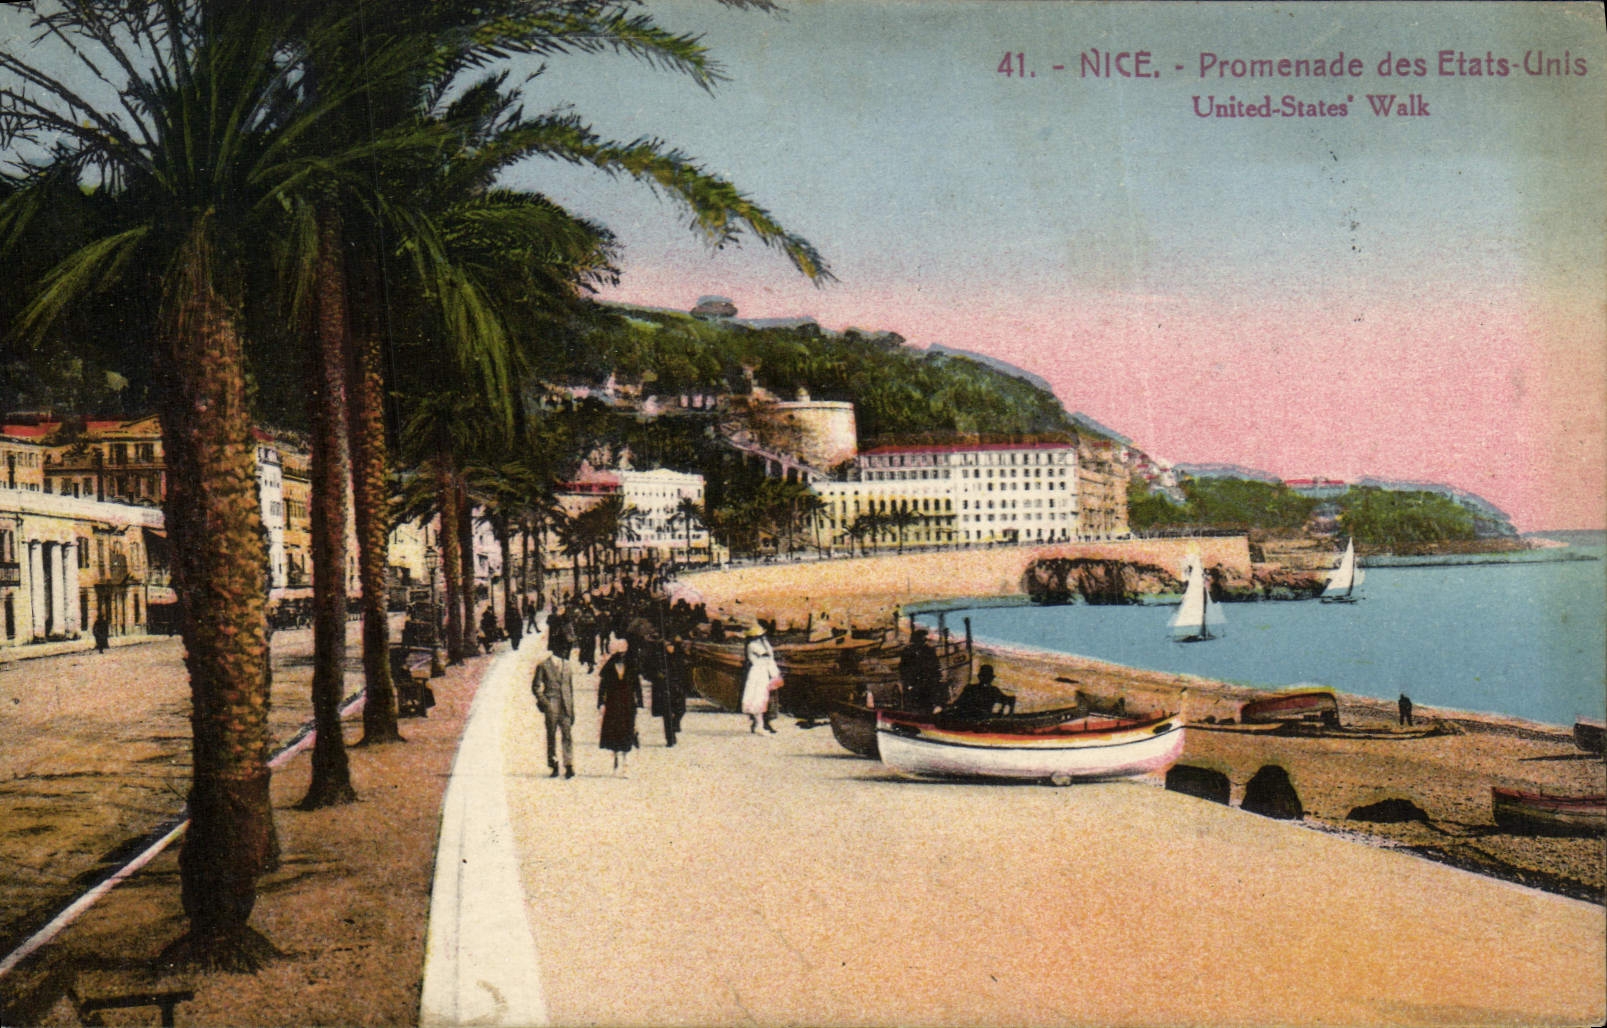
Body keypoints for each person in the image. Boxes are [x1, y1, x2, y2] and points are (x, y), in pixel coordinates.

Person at [597, 639, 639, 775]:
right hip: (613, 702)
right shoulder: (609, 668)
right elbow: (602, 686)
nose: (621, 656)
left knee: (627, 729)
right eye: (619, 653)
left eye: (623, 653)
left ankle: (625, 761)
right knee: (615, 731)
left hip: (627, 703)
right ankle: (615, 757)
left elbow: (636, 685)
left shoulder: (631, 666)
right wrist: (600, 702)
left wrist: (639, 701)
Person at [532, 649, 576, 778]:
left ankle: (569, 765)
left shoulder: (567, 665)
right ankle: (554, 764)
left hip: (565, 706)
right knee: (551, 735)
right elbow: (536, 686)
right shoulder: (543, 665)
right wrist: (545, 702)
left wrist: (572, 709)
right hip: (551, 705)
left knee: (567, 735)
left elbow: (570, 689)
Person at [740, 623, 782, 734]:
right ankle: (759, 724)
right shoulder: (753, 645)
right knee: (758, 698)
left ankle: (763, 723)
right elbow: (767, 655)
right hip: (759, 673)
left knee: (768, 699)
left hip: (766, 672)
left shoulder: (761, 644)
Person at [898, 628, 944, 714]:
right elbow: (903, 668)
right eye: (922, 638)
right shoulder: (908, 651)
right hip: (914, 683)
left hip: (926, 683)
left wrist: (937, 678)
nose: (924, 641)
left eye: (924, 639)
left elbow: (935, 666)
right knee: (913, 706)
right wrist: (908, 682)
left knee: (926, 705)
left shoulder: (929, 650)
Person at [946, 664, 1015, 719]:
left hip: (973, 718)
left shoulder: (991, 690)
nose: (986, 679)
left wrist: (1002, 712)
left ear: (979, 677)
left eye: (986, 677)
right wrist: (1003, 713)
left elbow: (1010, 700)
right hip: (972, 717)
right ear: (991, 679)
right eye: (985, 676)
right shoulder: (992, 690)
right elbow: (1011, 700)